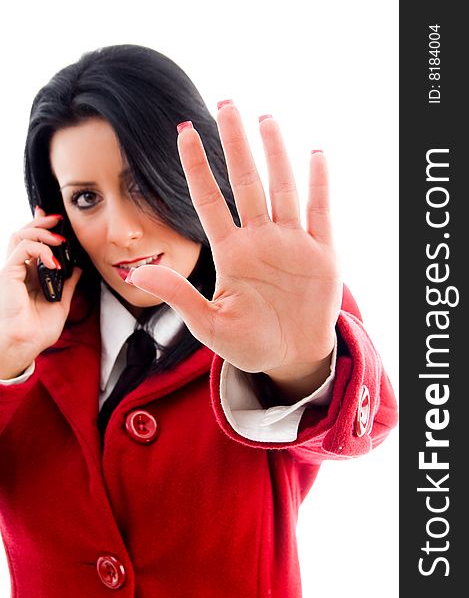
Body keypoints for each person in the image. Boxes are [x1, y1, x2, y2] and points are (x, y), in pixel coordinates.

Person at [0, 44, 397, 597]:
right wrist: (7, 359)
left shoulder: (274, 310)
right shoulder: (28, 349)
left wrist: (301, 365)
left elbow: (355, 428)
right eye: (86, 197)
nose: (121, 232)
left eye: (142, 184)